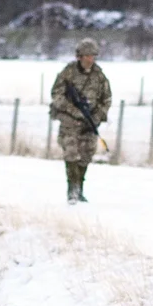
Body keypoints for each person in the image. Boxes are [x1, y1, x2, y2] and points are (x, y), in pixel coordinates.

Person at [48, 38, 110, 203]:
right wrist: (74, 111)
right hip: (70, 121)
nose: (90, 59)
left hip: (90, 123)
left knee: (86, 155)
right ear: (79, 56)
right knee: (71, 154)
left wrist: (96, 117)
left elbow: (107, 99)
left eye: (92, 56)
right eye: (87, 56)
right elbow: (56, 95)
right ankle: (72, 190)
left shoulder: (99, 76)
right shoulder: (68, 73)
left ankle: (80, 188)